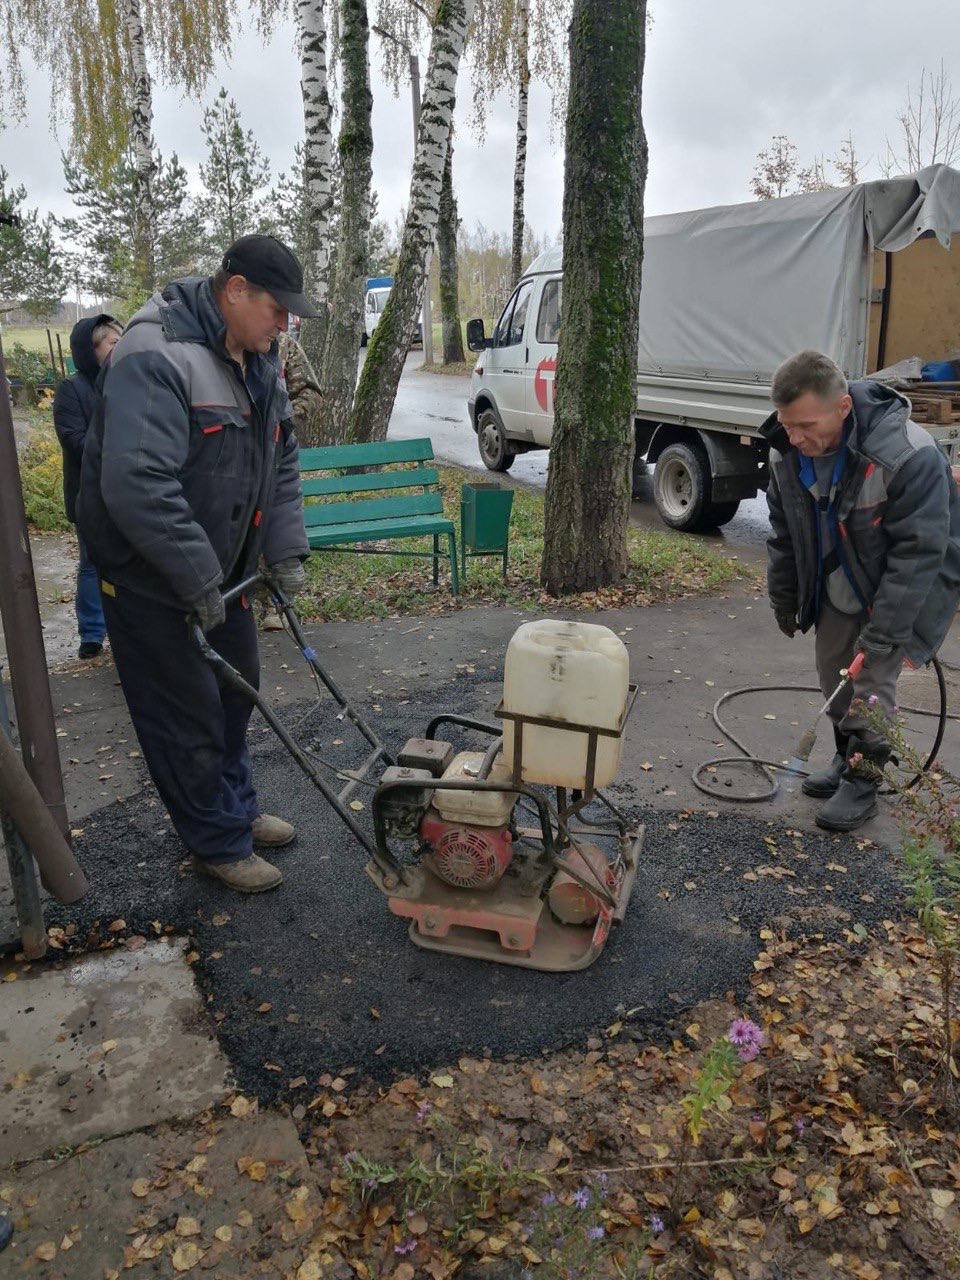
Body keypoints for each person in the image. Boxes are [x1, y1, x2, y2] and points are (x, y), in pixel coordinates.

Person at [78, 235, 318, 893]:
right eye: (276, 309)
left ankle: (234, 811)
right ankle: (215, 840)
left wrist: (285, 550)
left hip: (226, 570)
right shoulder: (156, 355)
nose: (283, 324)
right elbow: (136, 484)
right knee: (184, 713)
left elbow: (283, 457)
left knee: (235, 696)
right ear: (235, 290)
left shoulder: (260, 360)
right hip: (149, 578)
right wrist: (197, 578)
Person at [761, 350, 960, 832]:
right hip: (836, 583)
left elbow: (919, 554)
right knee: (834, 672)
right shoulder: (786, 452)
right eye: (788, 425)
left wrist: (885, 634)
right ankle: (845, 756)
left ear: (844, 407)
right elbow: (783, 534)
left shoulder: (908, 454)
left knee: (870, 682)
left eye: (806, 425)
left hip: (896, 588)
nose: (795, 437)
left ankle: (865, 779)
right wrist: (785, 598)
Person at [52, 314, 123, 659]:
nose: (119, 347)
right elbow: (74, 440)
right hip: (89, 495)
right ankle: (93, 632)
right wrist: (119, 447)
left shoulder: (127, 382)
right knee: (92, 562)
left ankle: (125, 626)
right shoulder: (72, 390)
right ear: (91, 349)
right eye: (113, 342)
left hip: (127, 492)